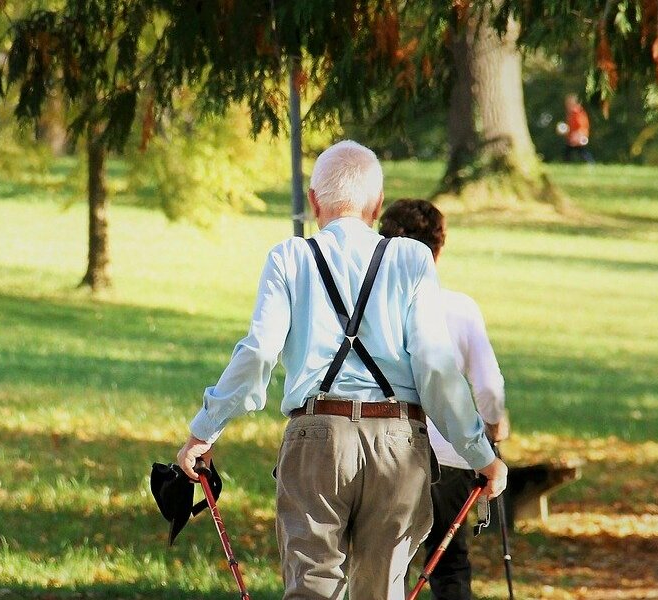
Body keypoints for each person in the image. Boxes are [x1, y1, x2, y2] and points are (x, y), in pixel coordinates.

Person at [176, 141, 509, 600]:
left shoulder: (288, 258)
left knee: (311, 589)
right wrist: (480, 454)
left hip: (316, 437)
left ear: (314, 202)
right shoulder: (411, 260)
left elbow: (257, 353)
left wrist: (204, 432)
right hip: (397, 442)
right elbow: (436, 368)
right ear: (376, 205)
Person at [378, 199, 508, 600]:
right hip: (450, 454)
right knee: (449, 562)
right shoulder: (460, 308)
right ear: (440, 246)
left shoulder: (375, 308)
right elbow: (487, 386)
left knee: (385, 561)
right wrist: (494, 424)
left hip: (385, 449)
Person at [560, 94, 594, 164]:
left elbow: (581, 125)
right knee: (572, 151)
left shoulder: (576, 112)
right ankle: (590, 164)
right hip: (575, 136)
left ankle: (591, 164)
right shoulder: (572, 113)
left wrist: (577, 136)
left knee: (581, 151)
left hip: (579, 136)